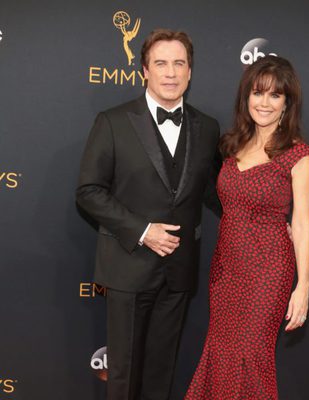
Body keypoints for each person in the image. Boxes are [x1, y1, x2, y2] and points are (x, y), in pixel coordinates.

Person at [76, 29, 221, 400]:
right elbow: (89, 192)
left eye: (179, 63)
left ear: (190, 72)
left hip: (178, 272)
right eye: (161, 63)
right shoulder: (112, 121)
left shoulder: (208, 128)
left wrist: (264, 220)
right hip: (127, 268)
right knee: (123, 376)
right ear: (144, 70)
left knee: (162, 373)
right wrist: (143, 230)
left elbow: (215, 193)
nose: (170, 73)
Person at [185, 55, 309, 399]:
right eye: (258, 93)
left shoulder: (299, 156)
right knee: (221, 350)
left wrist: (302, 286)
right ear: (246, 98)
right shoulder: (232, 146)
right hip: (226, 267)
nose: (265, 103)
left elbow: (302, 222)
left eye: (276, 95)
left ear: (288, 103)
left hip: (268, 270)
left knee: (250, 355)